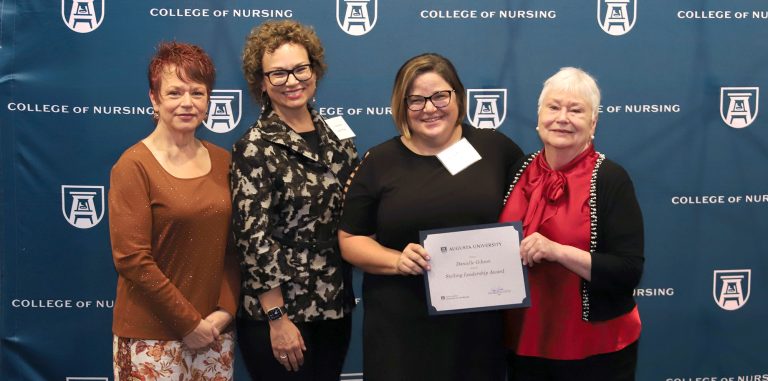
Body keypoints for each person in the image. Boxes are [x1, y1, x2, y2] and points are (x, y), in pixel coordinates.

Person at [338, 53, 524, 381]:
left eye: (440, 95)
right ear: (401, 105)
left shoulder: (496, 149)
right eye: (416, 99)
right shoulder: (378, 161)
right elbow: (351, 239)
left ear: (458, 96)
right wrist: (395, 260)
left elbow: (528, 216)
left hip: (477, 329)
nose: (429, 107)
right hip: (400, 330)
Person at [231, 20, 358, 381]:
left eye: (301, 68)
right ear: (261, 82)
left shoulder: (336, 135)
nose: (292, 81)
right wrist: (277, 319)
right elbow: (253, 241)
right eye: (278, 73)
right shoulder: (253, 146)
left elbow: (358, 203)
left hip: (334, 307)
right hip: (281, 316)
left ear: (315, 69)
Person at [499, 67, 644, 381]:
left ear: (593, 123)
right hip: (522, 342)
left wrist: (557, 251)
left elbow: (629, 270)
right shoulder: (517, 170)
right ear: (539, 116)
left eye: (576, 110)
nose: (562, 117)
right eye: (553, 107)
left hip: (595, 349)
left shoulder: (610, 179)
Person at [108, 41, 240, 381]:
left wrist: (225, 310)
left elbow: (236, 247)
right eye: (175, 92)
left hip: (214, 333)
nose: (187, 103)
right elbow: (132, 259)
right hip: (150, 337)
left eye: (197, 93)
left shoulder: (225, 162)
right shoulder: (133, 166)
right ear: (154, 99)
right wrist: (189, 323)